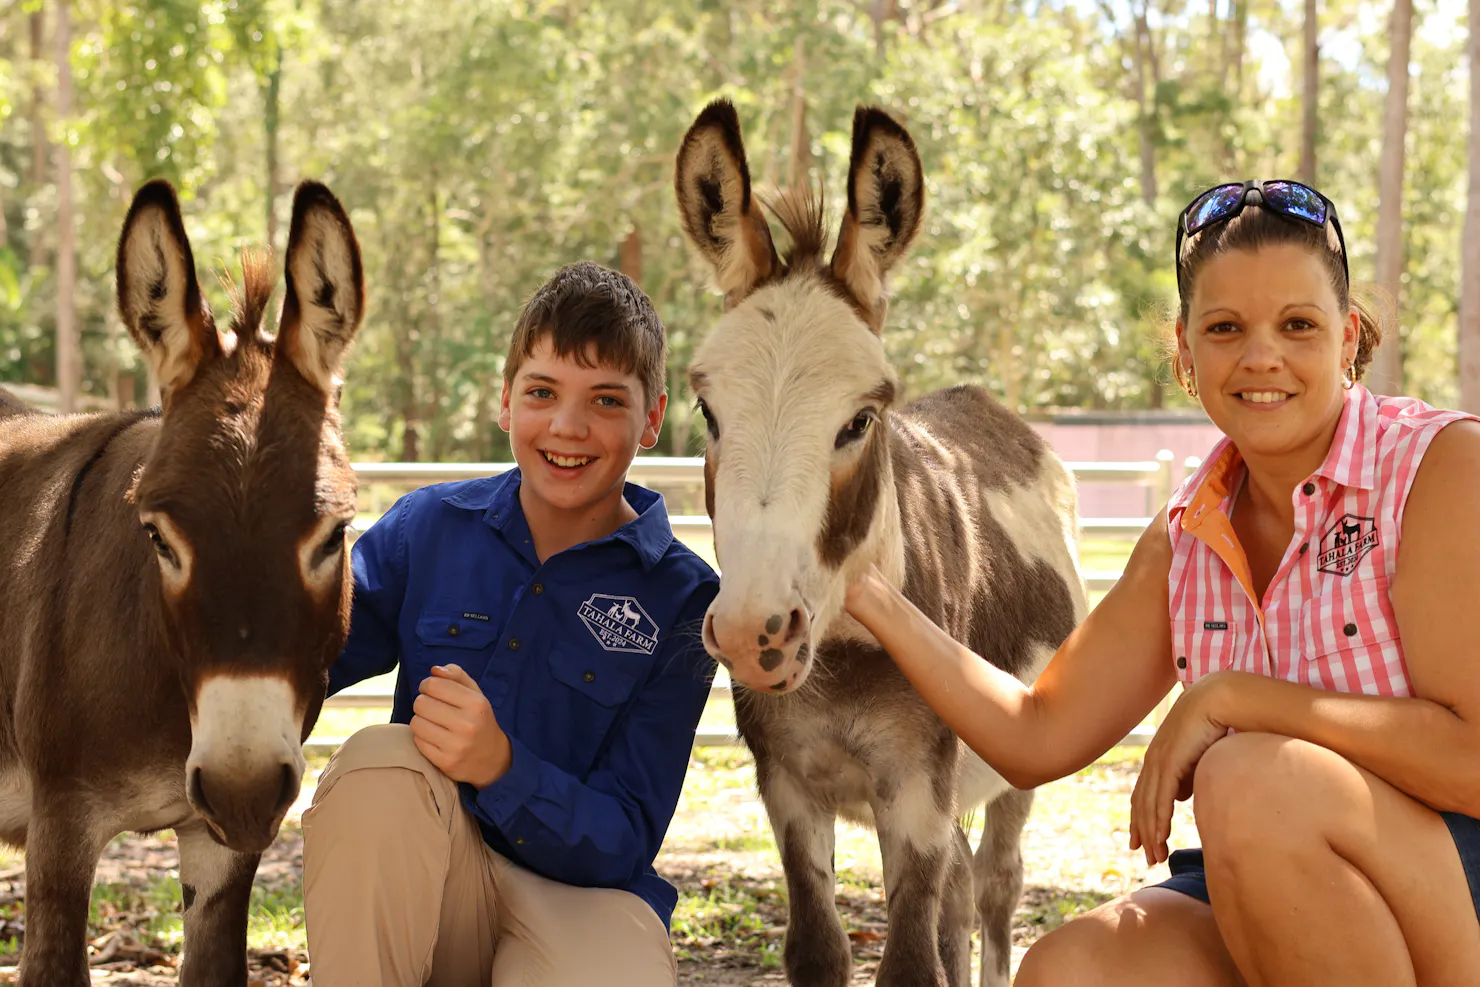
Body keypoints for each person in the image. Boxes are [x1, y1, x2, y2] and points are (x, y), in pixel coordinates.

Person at [843, 180, 1480, 986]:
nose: (1261, 357)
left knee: (1249, 777)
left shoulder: (1438, 469)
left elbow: (1473, 760)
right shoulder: (1186, 537)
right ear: (1185, 352)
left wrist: (1231, 700)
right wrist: (870, 596)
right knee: (1069, 971)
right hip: (1256, 884)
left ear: (1348, 336)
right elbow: (1037, 730)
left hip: (1454, 883)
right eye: (1224, 329)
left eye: (1298, 325)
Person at [302, 262, 719, 987]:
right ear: (505, 400)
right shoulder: (427, 527)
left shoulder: (682, 597)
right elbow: (301, 657)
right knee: (377, 763)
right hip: (430, 887)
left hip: (581, 900)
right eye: (542, 392)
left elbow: (626, 834)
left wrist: (502, 767)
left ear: (651, 420)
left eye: (607, 400)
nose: (567, 426)